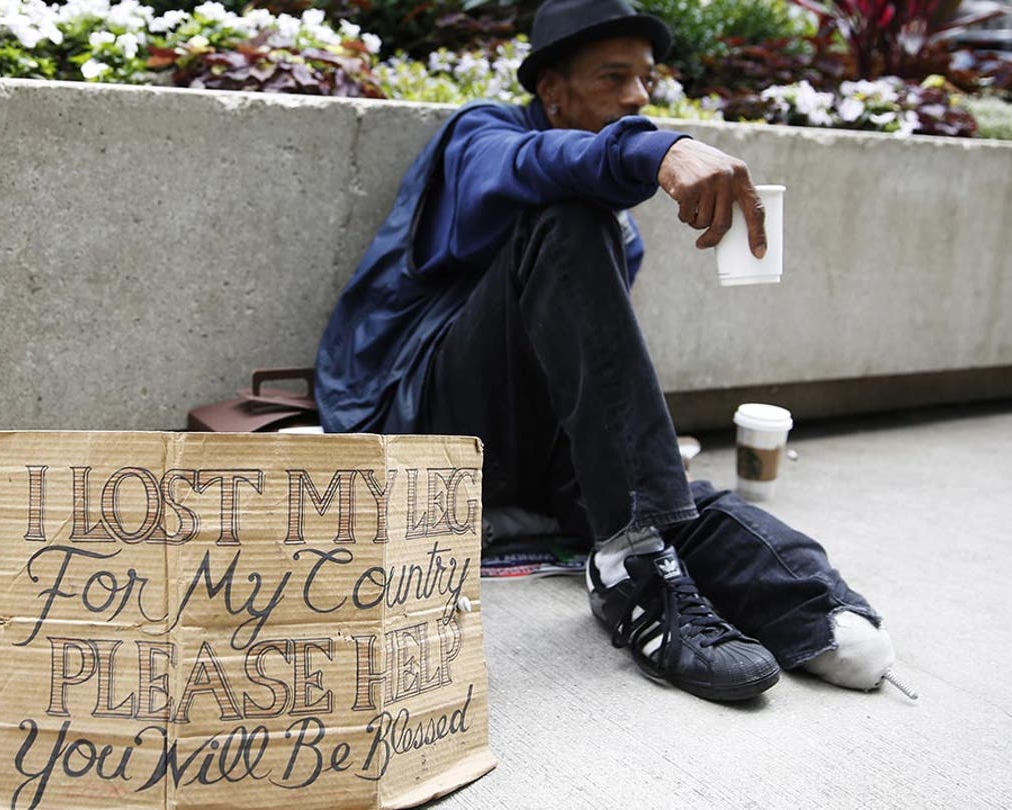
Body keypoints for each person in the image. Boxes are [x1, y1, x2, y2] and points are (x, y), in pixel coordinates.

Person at [315, 0, 898, 702]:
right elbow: (538, 164)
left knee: (664, 494)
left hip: (531, 457)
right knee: (566, 217)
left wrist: (630, 453)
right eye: (613, 77)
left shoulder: (616, 230)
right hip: (418, 421)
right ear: (551, 92)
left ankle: (813, 611)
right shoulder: (484, 138)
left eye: (646, 79)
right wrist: (657, 149)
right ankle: (635, 577)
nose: (637, 98)